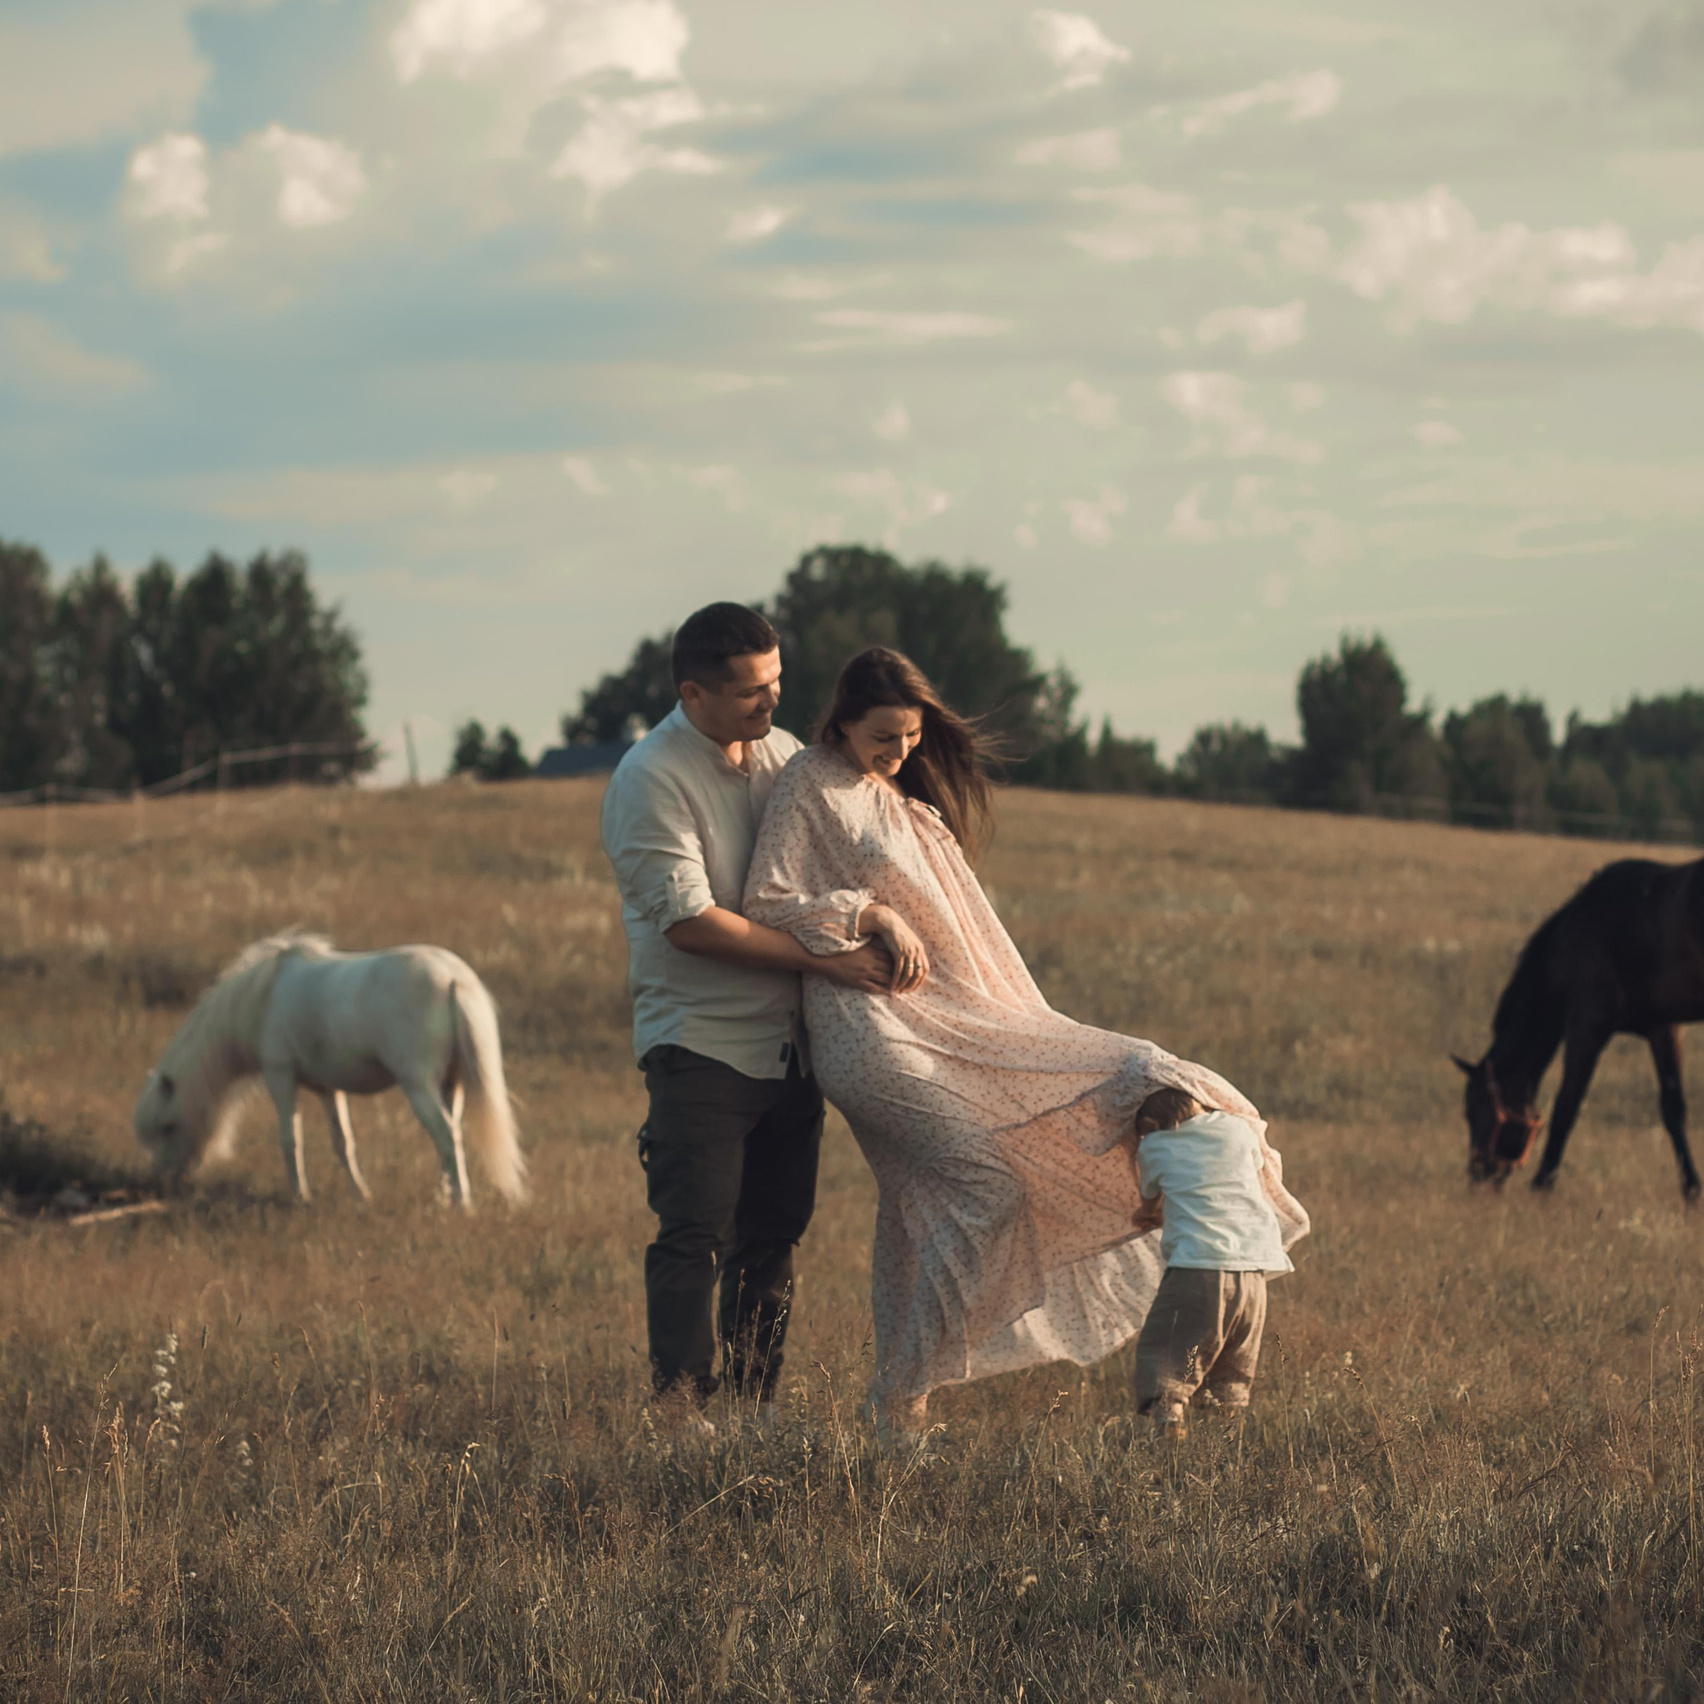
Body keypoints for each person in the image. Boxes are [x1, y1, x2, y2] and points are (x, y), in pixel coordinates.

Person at [743, 646, 1308, 1446]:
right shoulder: (811, 780)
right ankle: (904, 1400)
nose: (900, 750)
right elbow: (768, 898)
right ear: (838, 719)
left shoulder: (904, 801)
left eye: (910, 736)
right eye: (883, 735)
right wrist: (869, 913)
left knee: (1138, 1081)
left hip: (958, 1022)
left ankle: (899, 1415)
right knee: (985, 1187)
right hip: (870, 1028)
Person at [599, 603, 893, 1428]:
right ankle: (685, 1420)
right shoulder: (650, 778)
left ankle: (755, 1412)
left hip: (791, 1046)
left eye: (775, 684)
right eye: (749, 693)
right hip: (701, 1044)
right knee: (696, 1236)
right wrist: (822, 960)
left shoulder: (787, 757)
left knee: (774, 1234)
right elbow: (689, 924)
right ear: (692, 692)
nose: (770, 705)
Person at [1121, 1086, 1293, 1437]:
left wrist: (1147, 1213)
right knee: (1232, 1365)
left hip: (1199, 1268)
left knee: (1167, 1352)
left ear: (1151, 1124)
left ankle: (1168, 1432)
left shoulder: (1154, 1145)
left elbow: (1150, 1202)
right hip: (1254, 1271)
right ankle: (1222, 1444)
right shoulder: (1237, 1129)